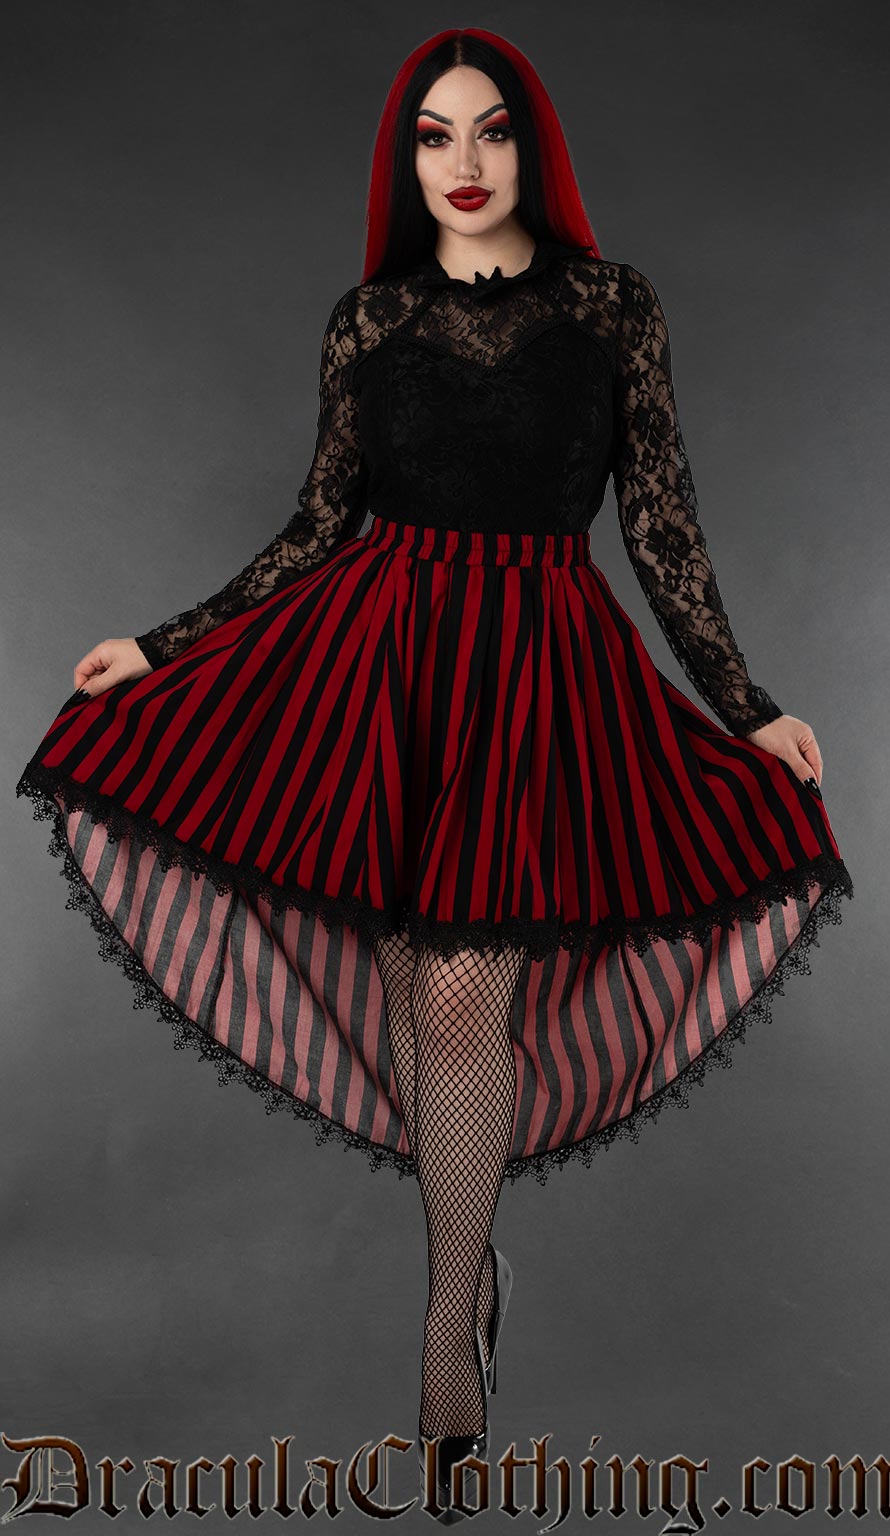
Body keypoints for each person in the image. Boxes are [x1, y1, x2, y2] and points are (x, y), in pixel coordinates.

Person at [16, 26, 853, 1522]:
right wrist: (160, 644)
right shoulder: (369, 320)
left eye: (491, 130)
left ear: (534, 146)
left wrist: (746, 707)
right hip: (378, 670)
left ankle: (442, 1340)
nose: (463, 163)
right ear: (404, 161)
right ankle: (470, 1277)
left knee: (466, 1000)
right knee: (417, 1002)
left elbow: (660, 524)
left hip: (536, 680)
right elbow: (316, 523)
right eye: (432, 136)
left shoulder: (611, 306)